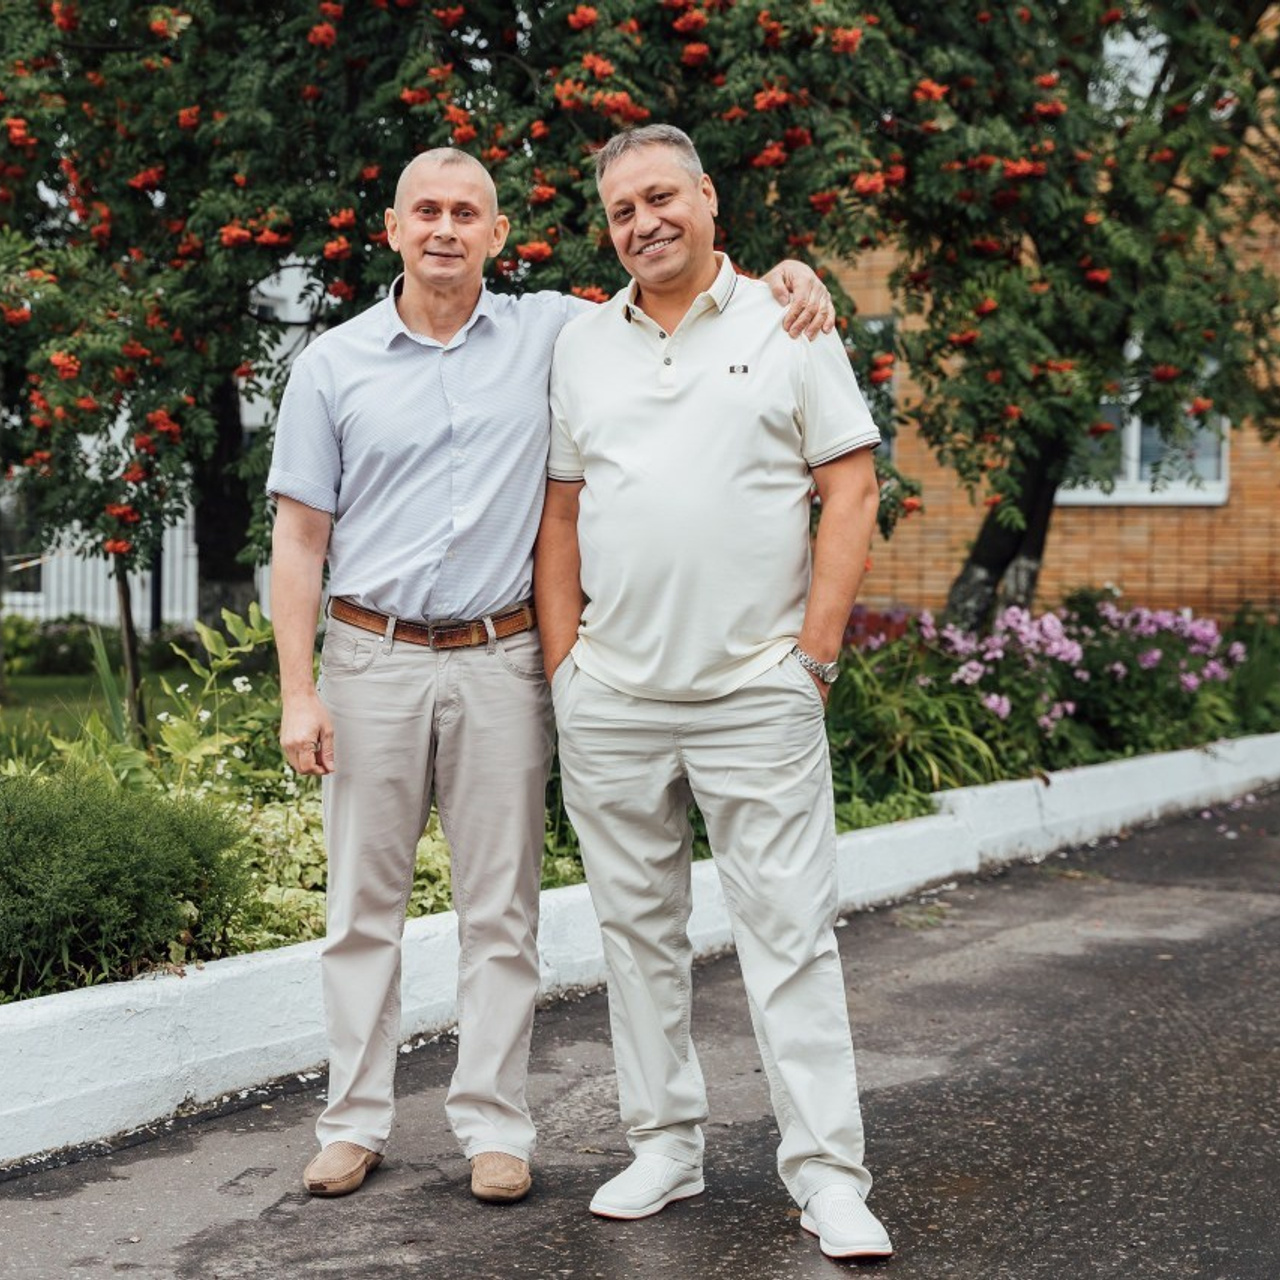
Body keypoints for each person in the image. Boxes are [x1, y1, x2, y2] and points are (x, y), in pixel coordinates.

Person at [266, 146, 835, 1205]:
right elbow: (298, 538)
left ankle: (493, 1124)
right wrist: (299, 688)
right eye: (424, 210)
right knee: (361, 908)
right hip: (370, 654)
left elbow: (675, 280)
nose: (444, 228)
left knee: (501, 910)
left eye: (466, 212)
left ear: (496, 234)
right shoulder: (331, 365)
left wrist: (785, 278)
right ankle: (352, 1120)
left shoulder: (554, 331)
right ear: (389, 229)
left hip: (500, 658)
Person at [534, 124, 892, 1260]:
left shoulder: (790, 319)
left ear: (706, 197)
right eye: (620, 211)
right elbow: (559, 512)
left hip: (754, 691)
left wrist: (812, 658)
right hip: (614, 697)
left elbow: (850, 488)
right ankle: (664, 1146)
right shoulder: (580, 344)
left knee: (788, 936)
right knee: (634, 933)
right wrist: (564, 670)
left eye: (659, 198)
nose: (643, 223)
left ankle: (828, 1174)